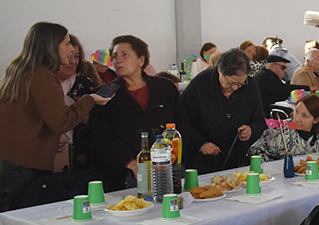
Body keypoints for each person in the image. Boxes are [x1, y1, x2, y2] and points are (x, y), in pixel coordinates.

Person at [0, 22, 110, 212]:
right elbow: (61, 122)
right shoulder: (42, 76)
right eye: (67, 43)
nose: (72, 49)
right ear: (51, 46)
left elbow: (29, 119)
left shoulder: (19, 70)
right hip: (16, 168)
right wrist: (89, 100)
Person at [88, 34, 192, 191]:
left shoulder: (165, 87)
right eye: (114, 56)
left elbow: (182, 124)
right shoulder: (103, 94)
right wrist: (130, 162)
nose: (118, 60)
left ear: (141, 60)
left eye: (125, 54)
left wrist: (175, 155)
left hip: (168, 164)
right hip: (125, 172)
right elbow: (101, 137)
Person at [181, 48, 266, 172]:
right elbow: (182, 121)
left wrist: (251, 130)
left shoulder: (250, 86)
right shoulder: (200, 84)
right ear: (220, 70)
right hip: (202, 161)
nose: (235, 88)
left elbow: (259, 120)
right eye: (230, 83)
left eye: (240, 84)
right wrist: (200, 144)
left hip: (237, 160)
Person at [55, 34, 100, 171]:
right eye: (68, 56)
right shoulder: (42, 84)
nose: (72, 61)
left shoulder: (85, 84)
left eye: (76, 57)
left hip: (82, 156)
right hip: (43, 156)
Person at [249, 93, 319, 160]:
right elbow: (254, 150)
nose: (297, 118)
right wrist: (272, 166)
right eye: (296, 111)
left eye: (305, 116)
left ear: (316, 120)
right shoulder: (280, 131)